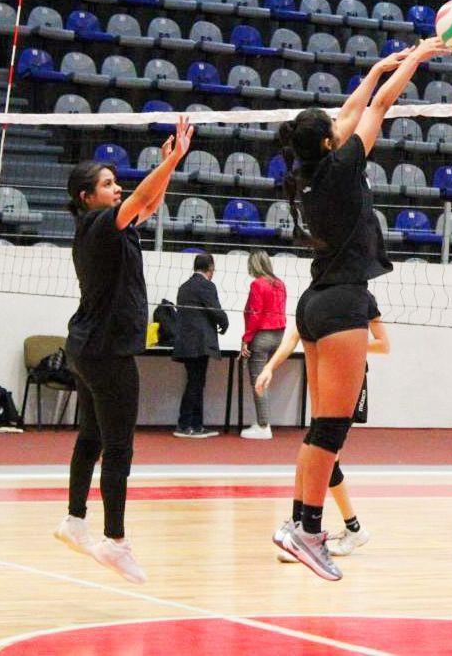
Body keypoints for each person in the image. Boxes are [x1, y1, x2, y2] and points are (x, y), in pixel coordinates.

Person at [267, 37, 450, 581]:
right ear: (330, 141)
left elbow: (351, 111)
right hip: (345, 302)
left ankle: (298, 525)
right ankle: (309, 531)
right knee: (331, 430)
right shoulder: (343, 169)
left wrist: (375, 66)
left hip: (314, 302)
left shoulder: (302, 172)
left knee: (317, 429)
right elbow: (376, 110)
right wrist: (415, 60)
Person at [53, 115, 193, 584]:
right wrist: (171, 158)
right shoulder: (97, 226)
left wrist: (170, 164)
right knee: (118, 448)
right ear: (86, 197)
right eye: (107, 183)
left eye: (116, 183)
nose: (116, 188)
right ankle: (115, 542)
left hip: (89, 347)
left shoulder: (117, 228)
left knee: (92, 437)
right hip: (107, 352)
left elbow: (148, 201)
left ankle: (75, 520)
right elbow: (138, 199)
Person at [272, 292, 389, 560]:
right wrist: (269, 367)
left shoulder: (363, 298)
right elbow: (294, 337)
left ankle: (312, 529)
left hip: (351, 380)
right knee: (316, 450)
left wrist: (347, 346)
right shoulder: (319, 297)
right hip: (327, 377)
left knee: (325, 455)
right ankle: (323, 527)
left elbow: (384, 344)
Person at [172, 253, 229, 438]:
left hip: (185, 343)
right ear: (210, 268)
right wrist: (225, 322)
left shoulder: (183, 287)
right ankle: (184, 425)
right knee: (196, 384)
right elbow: (215, 310)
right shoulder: (206, 286)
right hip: (199, 343)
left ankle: (196, 425)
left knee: (195, 382)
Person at [240, 249, 287, 440]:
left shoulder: (257, 284)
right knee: (265, 380)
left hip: (262, 336)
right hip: (279, 335)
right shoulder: (280, 284)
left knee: (258, 382)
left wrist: (246, 339)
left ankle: (263, 425)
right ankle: (263, 421)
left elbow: (255, 314)